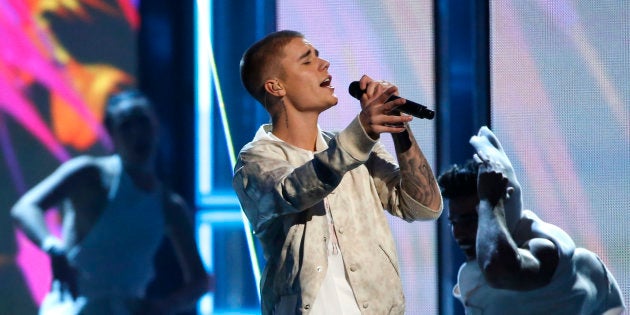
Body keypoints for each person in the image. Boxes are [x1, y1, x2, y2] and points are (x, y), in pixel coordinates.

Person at [232, 30, 443, 315]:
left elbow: (424, 207)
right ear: (275, 86)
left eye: (319, 56)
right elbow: (293, 191)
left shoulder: (355, 148)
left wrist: (396, 124)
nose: (324, 64)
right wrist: (363, 132)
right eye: (307, 61)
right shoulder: (256, 158)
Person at [11, 90, 212, 315]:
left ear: (156, 125)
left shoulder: (170, 205)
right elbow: (25, 208)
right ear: (112, 134)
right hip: (73, 307)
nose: (137, 132)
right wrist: (52, 246)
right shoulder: (89, 174)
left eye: (142, 121)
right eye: (126, 125)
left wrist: (163, 306)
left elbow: (200, 281)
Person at [438, 126, 625, 315]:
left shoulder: (545, 250)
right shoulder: (475, 274)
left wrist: (489, 201)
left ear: (503, 205)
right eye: (454, 222)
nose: (458, 233)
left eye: (471, 219)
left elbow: (501, 271)